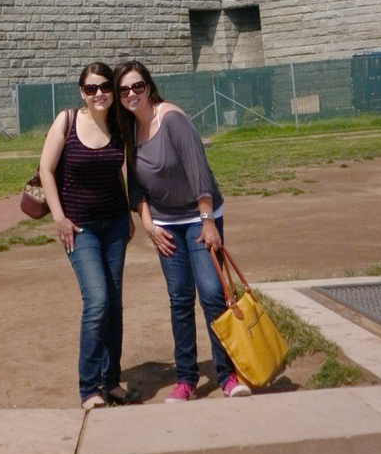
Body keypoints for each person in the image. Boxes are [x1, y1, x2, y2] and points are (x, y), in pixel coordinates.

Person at [115, 60, 251, 401]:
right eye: (124, 89)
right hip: (164, 224)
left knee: (211, 293)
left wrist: (208, 223)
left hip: (197, 217)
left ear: (149, 87)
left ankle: (227, 376)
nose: (132, 94)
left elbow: (198, 171)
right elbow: (136, 187)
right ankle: (187, 379)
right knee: (179, 300)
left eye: (138, 86)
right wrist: (148, 226)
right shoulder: (129, 130)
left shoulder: (171, 119)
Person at [39, 62, 134, 409]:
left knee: (114, 305)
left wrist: (126, 213)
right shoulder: (67, 122)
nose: (99, 94)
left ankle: (111, 381)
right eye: (91, 88)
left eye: (105, 87)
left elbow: (117, 175)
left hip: (114, 226)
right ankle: (89, 387)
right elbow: (46, 171)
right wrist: (60, 218)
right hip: (80, 229)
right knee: (97, 301)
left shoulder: (119, 127)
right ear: (82, 92)